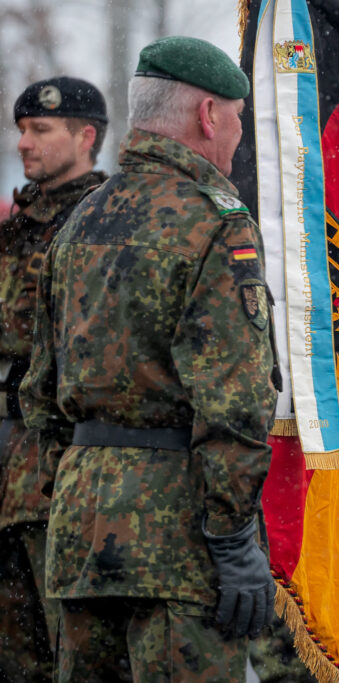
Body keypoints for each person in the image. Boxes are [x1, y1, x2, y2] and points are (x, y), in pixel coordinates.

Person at [19, 36, 280, 681]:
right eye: (239, 118)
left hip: (79, 531)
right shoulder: (216, 222)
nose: (238, 135)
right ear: (209, 115)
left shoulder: (80, 219)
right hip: (177, 538)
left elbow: (39, 392)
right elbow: (236, 400)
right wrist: (233, 536)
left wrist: (79, 483)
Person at [0, 76, 108, 683]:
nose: (23, 143)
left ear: (85, 136)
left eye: (40, 130)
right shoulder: (17, 226)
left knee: (71, 653)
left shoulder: (102, 223)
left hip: (56, 474)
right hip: (8, 473)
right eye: (21, 130)